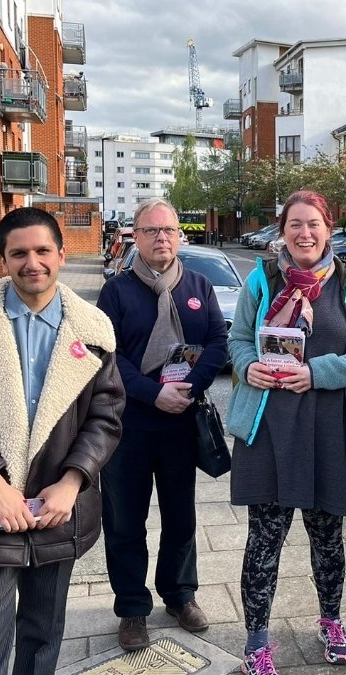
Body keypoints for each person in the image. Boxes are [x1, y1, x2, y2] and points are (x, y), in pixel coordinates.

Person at [0, 207, 125, 675]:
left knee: (44, 636)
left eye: (43, 250)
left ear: (62, 255)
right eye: (19, 253)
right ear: (1, 259)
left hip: (55, 514)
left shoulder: (94, 330)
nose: (32, 263)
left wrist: (72, 482)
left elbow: (106, 417)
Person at [226, 190, 346, 675]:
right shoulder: (261, 280)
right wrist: (246, 365)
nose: (304, 234)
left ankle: (331, 620)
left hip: (330, 431)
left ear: (329, 228)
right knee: (264, 543)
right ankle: (256, 644)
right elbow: (236, 341)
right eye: (295, 224)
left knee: (327, 539)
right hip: (270, 431)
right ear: (283, 230)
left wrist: (316, 373)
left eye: (313, 224)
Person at [97, 197, 228, 651]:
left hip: (180, 425)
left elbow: (217, 341)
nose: (161, 239)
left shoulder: (198, 285)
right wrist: (154, 393)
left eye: (168, 230)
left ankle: (179, 594)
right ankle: (132, 607)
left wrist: (188, 387)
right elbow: (107, 357)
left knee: (180, 516)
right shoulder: (116, 291)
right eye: (151, 231)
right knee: (125, 521)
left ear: (180, 235)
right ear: (135, 236)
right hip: (128, 427)